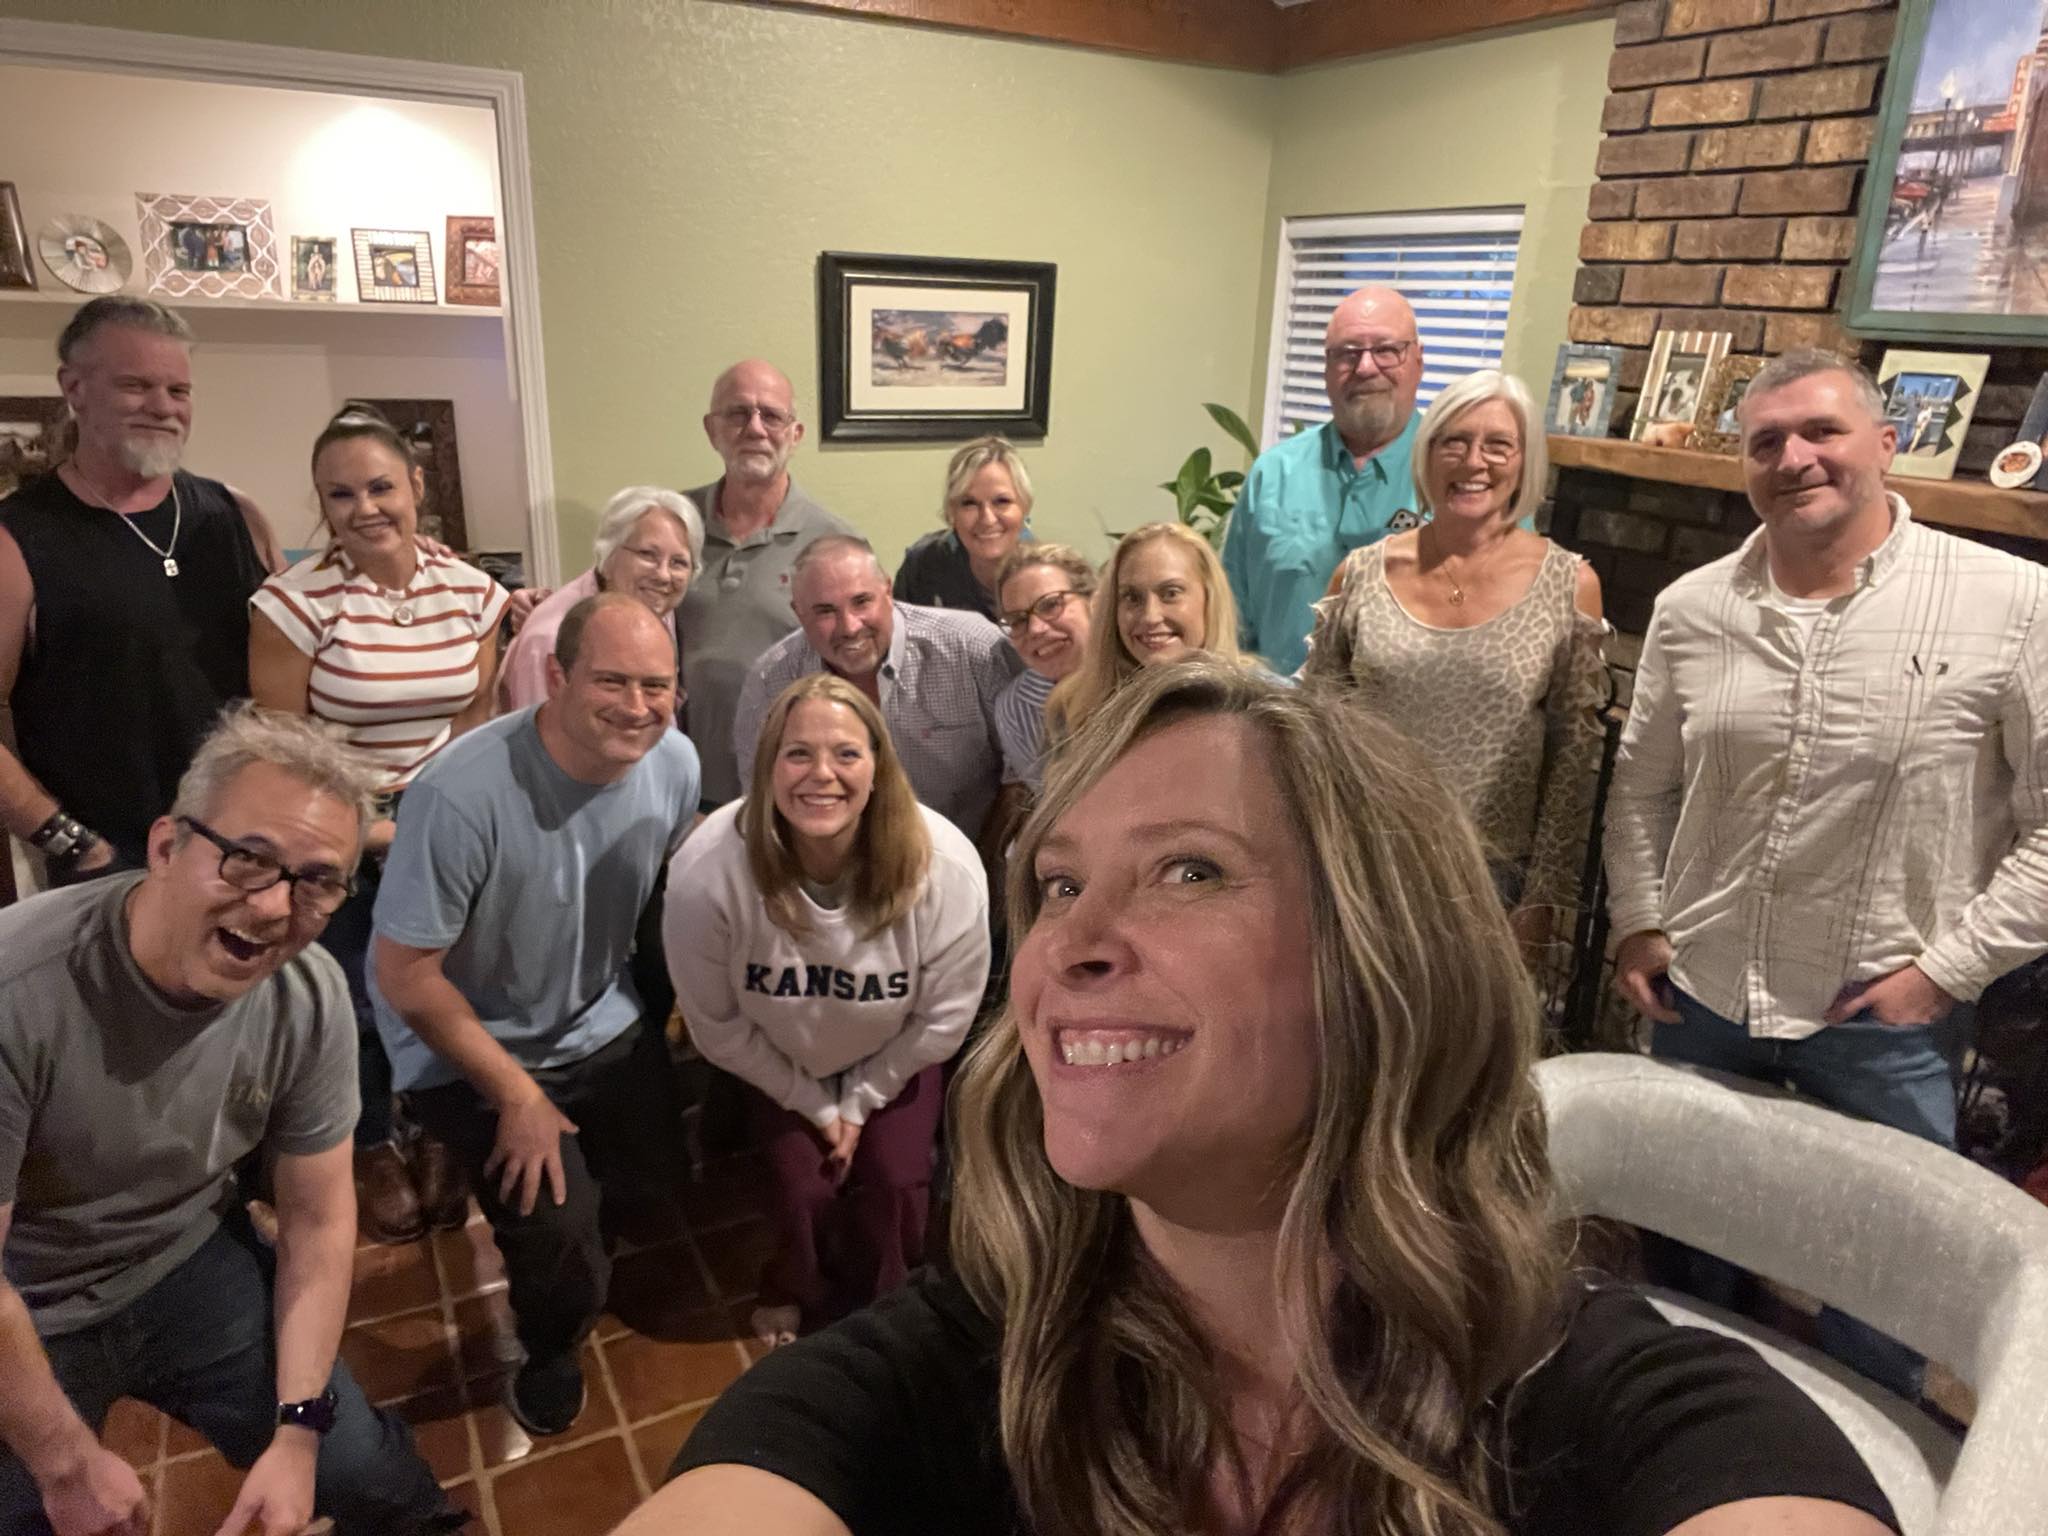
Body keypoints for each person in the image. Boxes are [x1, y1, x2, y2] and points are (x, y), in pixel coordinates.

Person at [629, 661, 1897, 1536]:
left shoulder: (1603, 1405)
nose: (1071, 945)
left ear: (1380, 956)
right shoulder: (965, 1362)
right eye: (1060, 885)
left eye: (1188, 870)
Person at [1606, 349, 2048, 1403]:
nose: (1793, 458)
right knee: (1687, 1234)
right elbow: (1640, 787)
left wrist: (1943, 974)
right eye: (1766, 442)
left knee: (1884, 1277)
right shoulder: (1692, 607)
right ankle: (1692, 1415)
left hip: (1882, 1018)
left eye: (1821, 432)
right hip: (1704, 998)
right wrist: (1639, 921)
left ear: (1885, 445)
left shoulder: (2013, 603)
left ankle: (1864, 1447)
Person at [0, 706, 462, 1536]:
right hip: (25, 1302)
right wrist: (65, 1463)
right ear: (167, 846)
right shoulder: (17, 992)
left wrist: (300, 1430)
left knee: (359, 1467)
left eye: (317, 881)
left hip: (184, 1262)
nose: (276, 906)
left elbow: (318, 1219)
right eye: (248, 859)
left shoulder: (307, 995)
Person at [372, 593, 700, 1439]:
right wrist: (517, 1096)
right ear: (556, 676)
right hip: (472, 1043)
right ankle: (549, 1348)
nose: (638, 706)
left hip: (599, 1014)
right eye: (612, 681)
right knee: (556, 1238)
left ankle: (581, 1254)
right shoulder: (457, 795)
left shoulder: (675, 764)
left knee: (656, 1182)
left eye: (657, 685)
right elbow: (403, 975)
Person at [249, 402, 510, 1246]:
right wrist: (364, 831)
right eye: (341, 494)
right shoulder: (292, 604)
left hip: (439, 819)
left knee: (438, 984)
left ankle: (434, 1126)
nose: (364, 508)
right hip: (333, 824)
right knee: (351, 997)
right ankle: (365, 1142)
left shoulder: (472, 593)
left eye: (380, 487)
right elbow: (282, 747)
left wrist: (442, 823)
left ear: (416, 486)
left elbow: (474, 721)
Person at [665, 674, 989, 1348]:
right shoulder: (707, 871)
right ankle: (796, 1284)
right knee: (801, 1189)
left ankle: (888, 1298)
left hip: (898, 1052)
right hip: (779, 1056)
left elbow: (944, 1021)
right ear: (767, 767)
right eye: (797, 753)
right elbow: (716, 1026)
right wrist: (815, 1105)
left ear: (878, 768)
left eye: (845, 753)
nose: (822, 774)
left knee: (897, 1181)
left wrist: (861, 1100)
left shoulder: (946, 866)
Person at [1303, 370, 1606, 950]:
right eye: (1455, 442)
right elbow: (1315, 739)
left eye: (1498, 445)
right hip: (1366, 867)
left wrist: (1542, 899)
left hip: (1494, 880)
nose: (1474, 462)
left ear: (1524, 461)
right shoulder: (1359, 575)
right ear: (1428, 453)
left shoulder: (1570, 586)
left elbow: (1572, 762)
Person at [0, 296, 286, 885]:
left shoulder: (236, 514)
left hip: (249, 848)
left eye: (178, 391)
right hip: (114, 870)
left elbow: (298, 663)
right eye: (135, 386)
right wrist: (73, 843)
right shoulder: (18, 538)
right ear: (74, 388)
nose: (162, 407)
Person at [733, 536, 1020, 847]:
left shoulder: (972, 648)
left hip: (972, 855)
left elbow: (1023, 776)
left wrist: (980, 861)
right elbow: (762, 801)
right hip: (828, 867)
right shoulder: (771, 681)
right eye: (825, 611)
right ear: (798, 612)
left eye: (861, 602)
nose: (849, 627)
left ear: (887, 590)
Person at [1223, 284, 1424, 675]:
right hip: (1280, 709)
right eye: (1347, 353)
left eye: (1386, 350)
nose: (1365, 367)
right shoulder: (1272, 474)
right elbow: (1230, 623)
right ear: (1327, 369)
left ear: (1418, 360)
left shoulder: (1461, 480)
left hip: (1405, 713)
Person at [679, 360, 854, 807]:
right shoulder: (672, 524)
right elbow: (611, 595)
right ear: (711, 429)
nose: (755, 429)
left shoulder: (835, 543)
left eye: (771, 416)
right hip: (679, 785)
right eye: (738, 413)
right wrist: (539, 604)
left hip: (792, 790)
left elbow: (858, 673)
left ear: (795, 434)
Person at [498, 485, 701, 712]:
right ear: (608, 554)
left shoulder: (651, 607)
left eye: (678, 562)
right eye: (647, 555)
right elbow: (541, 731)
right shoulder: (551, 639)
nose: (663, 575)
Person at [1046, 520, 1251, 742]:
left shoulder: (1258, 705)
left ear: (1209, 598)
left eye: (1170, 593)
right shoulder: (1075, 710)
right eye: (1132, 597)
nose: (1150, 616)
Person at [989, 543, 1096, 792]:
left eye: (1050, 605)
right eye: (1018, 620)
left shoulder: (1147, 674)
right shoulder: (1017, 708)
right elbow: (1055, 802)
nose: (1036, 629)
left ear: (1094, 601)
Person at [892, 435, 1032, 620]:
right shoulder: (924, 564)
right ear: (951, 512)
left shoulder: (1047, 576)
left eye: (1001, 501)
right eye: (969, 503)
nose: (987, 519)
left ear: (1025, 506)